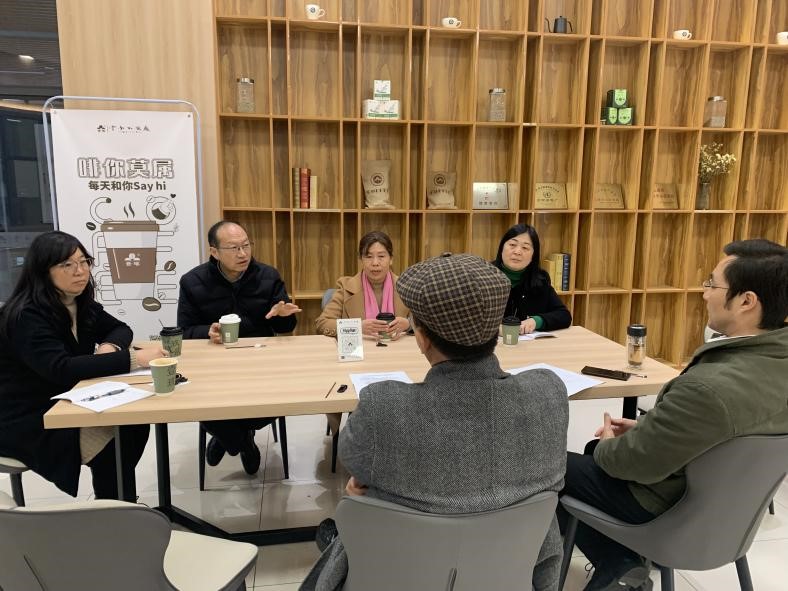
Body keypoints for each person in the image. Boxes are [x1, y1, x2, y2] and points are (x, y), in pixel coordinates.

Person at [301, 253, 570, 591]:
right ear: (495, 329)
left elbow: (355, 462)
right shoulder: (548, 394)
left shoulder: (383, 407)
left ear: (421, 337)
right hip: (510, 575)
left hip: (400, 574)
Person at [560, 239, 788, 591]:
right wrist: (654, 429)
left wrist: (605, 444)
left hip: (670, 508)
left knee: (546, 465)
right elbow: (724, 437)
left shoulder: (709, 387)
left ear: (746, 301)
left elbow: (631, 464)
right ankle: (619, 562)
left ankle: (616, 562)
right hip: (734, 515)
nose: (704, 293)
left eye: (712, 284)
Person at [0, 231, 165, 499]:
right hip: (30, 415)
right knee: (116, 439)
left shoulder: (78, 301)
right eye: (67, 264)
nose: (80, 271)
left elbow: (120, 328)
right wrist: (134, 359)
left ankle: (119, 503)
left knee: (134, 423)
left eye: (84, 261)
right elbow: (61, 369)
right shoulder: (26, 316)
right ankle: (115, 508)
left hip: (69, 398)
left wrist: (109, 347)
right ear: (43, 271)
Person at [177, 220, 300, 474]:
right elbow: (185, 332)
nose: (243, 254)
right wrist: (206, 331)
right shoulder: (192, 282)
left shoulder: (268, 276)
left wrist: (282, 316)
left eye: (246, 245)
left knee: (282, 395)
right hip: (214, 364)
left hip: (261, 362)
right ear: (214, 252)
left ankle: (226, 436)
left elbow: (286, 328)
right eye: (234, 248)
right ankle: (242, 443)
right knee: (196, 397)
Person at [315, 231, 410, 340]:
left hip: (397, 348)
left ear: (391, 259)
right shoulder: (346, 287)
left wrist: (408, 325)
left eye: (381, 256)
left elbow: (423, 322)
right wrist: (357, 327)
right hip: (360, 349)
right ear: (361, 259)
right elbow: (322, 323)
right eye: (369, 257)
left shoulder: (406, 287)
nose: (375, 263)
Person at [492, 223, 571, 334]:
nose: (517, 252)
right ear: (502, 248)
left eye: (525, 248)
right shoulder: (483, 276)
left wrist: (536, 321)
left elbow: (564, 315)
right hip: (492, 343)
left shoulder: (540, 280)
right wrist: (493, 329)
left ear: (533, 255)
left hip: (529, 343)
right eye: (512, 245)